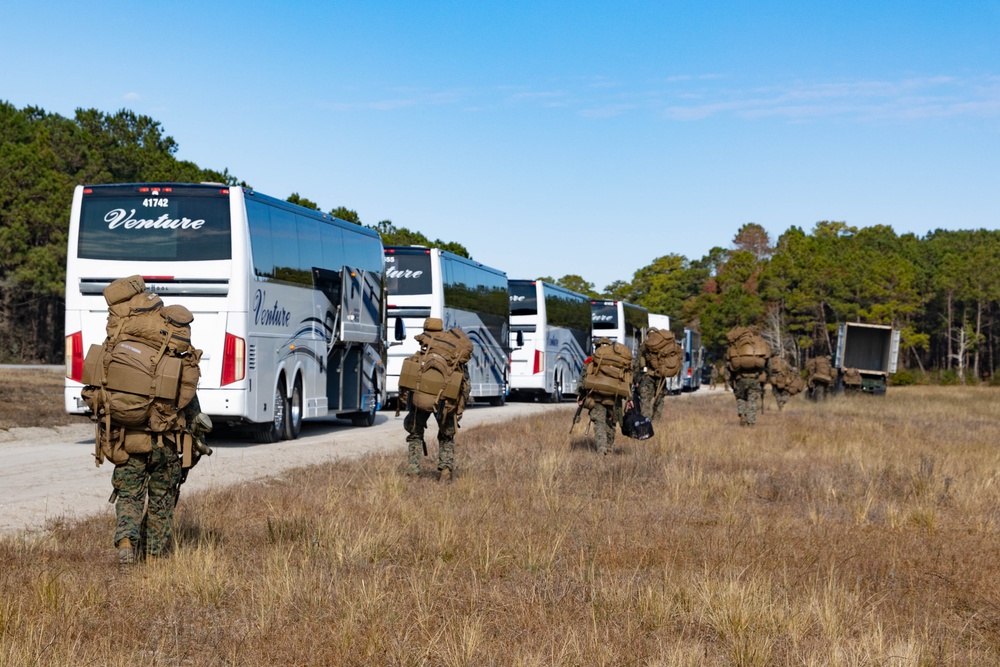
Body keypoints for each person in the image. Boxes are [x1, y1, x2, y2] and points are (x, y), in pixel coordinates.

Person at [402, 318, 472, 481]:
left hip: (420, 401)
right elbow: (464, 384)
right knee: (446, 436)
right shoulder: (454, 355)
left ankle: (413, 472)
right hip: (445, 402)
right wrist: (459, 408)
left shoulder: (422, 353)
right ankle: (445, 472)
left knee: (415, 433)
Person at [576, 338, 634, 455]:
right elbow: (628, 381)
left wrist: (580, 395)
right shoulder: (620, 362)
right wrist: (629, 399)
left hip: (597, 397)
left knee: (600, 423)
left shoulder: (591, 360)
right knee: (611, 424)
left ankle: (602, 450)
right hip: (615, 398)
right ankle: (609, 448)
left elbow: (583, 378)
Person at [724, 326, 770, 426]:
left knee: (740, 397)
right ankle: (751, 422)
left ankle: (742, 414)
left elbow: (728, 363)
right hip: (754, 378)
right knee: (752, 400)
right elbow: (766, 364)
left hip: (740, 378)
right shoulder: (759, 343)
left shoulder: (735, 345)